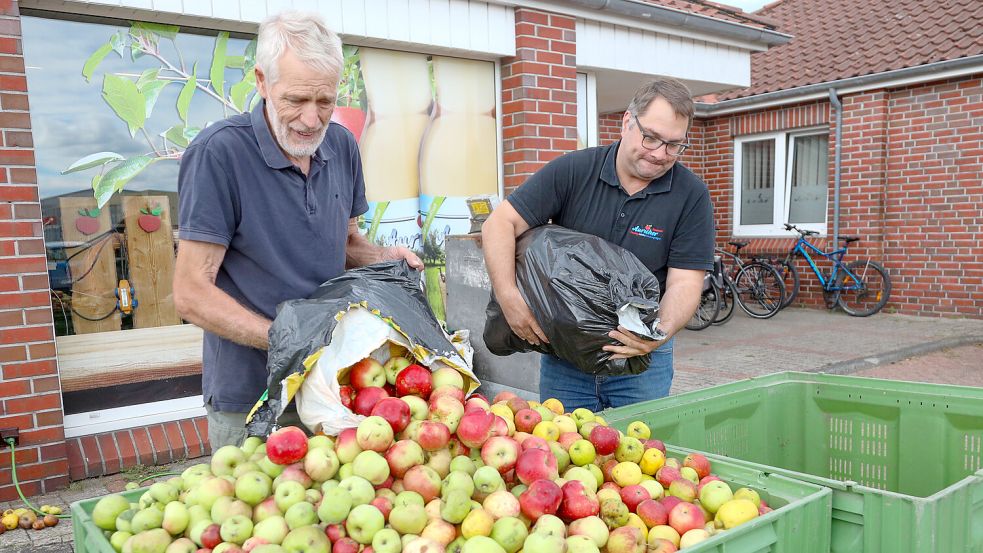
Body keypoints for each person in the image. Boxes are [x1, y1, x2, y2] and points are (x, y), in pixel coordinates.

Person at [173, 11, 422, 448]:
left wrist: (383, 258)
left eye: (324, 102)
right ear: (262, 82)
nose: (311, 120)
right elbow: (191, 293)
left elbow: (346, 243)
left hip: (333, 383)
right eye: (296, 100)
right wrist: (284, 339)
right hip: (254, 394)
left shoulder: (342, 146)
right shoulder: (219, 154)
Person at [482, 78, 714, 411]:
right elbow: (500, 224)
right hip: (566, 357)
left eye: (674, 145)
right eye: (650, 137)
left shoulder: (691, 196)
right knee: (564, 452)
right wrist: (509, 297)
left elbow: (685, 283)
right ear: (627, 122)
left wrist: (656, 334)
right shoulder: (575, 170)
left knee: (640, 453)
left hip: (641, 361)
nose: (660, 154)